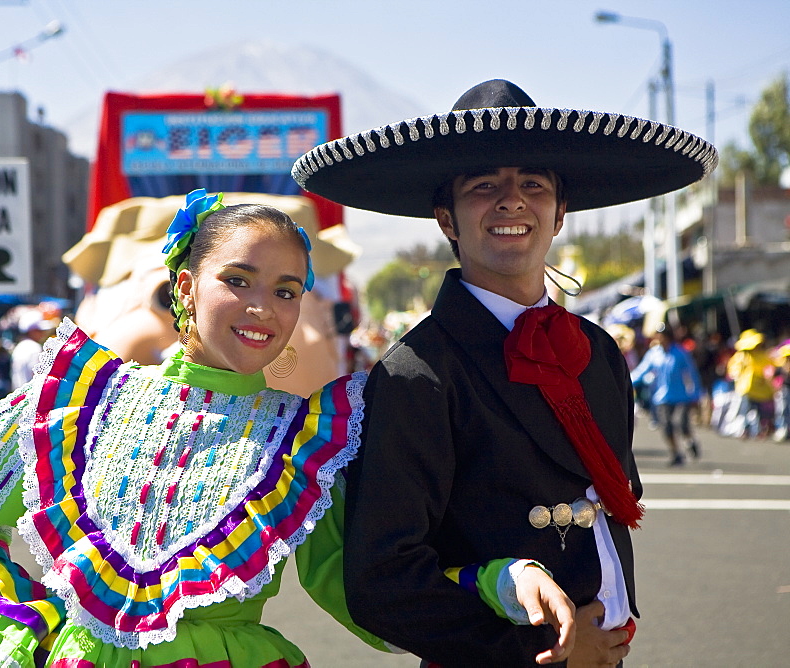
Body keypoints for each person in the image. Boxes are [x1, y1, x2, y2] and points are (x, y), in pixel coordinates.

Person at [0, 190, 575, 667]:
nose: (263, 306)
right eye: (237, 281)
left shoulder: (302, 443)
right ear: (185, 285)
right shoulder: (84, 402)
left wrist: (501, 584)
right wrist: (18, 612)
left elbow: (362, 584)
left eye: (287, 290)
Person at [293, 79, 717, 665]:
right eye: (484, 185)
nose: (512, 200)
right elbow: (382, 581)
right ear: (447, 218)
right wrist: (547, 644)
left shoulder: (597, 351)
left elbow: (609, 506)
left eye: (533, 184)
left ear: (560, 213)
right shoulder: (415, 374)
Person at [630, 326, 703, 466]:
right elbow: (642, 370)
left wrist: (696, 393)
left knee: (682, 424)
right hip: (662, 397)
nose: (658, 338)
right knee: (666, 426)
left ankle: (690, 442)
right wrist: (626, 381)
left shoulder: (680, 353)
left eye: (661, 335)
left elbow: (691, 373)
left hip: (681, 396)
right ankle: (676, 453)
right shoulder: (654, 354)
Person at [726, 328, 776, 439]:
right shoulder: (741, 357)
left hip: (760, 389)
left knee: (760, 411)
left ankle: (760, 430)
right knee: (745, 410)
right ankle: (745, 429)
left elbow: (770, 367)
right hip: (746, 389)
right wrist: (736, 373)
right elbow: (733, 368)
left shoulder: (762, 356)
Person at [10, 307, 60, 388]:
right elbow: (37, 375)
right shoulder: (34, 348)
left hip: (19, 395)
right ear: (32, 331)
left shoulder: (19, 346)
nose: (43, 334)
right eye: (39, 331)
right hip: (31, 396)